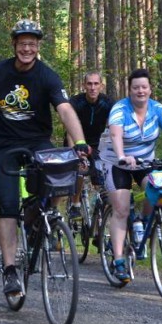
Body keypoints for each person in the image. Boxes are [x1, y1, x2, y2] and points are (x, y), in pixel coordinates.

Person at [0, 19, 90, 297]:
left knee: (60, 174)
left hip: (37, 142)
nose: (27, 48)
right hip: (3, 146)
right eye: (22, 43)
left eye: (32, 44)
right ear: (14, 45)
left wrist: (80, 142)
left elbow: (65, 109)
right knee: (9, 207)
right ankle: (10, 269)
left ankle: (40, 217)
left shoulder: (47, 76)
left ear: (38, 47)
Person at [98, 68, 162, 283]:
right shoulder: (119, 109)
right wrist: (122, 155)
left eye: (144, 87)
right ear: (130, 90)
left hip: (144, 161)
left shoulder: (158, 109)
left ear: (150, 89)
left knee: (160, 191)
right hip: (116, 162)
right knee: (122, 209)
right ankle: (118, 261)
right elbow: (115, 134)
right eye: (136, 87)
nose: (140, 91)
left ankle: (143, 223)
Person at [65, 71, 115, 220]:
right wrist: (74, 151)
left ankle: (99, 216)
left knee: (102, 175)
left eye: (96, 84)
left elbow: (114, 128)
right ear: (84, 85)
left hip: (97, 143)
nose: (92, 87)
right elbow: (69, 130)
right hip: (76, 140)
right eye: (89, 84)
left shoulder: (108, 102)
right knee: (80, 168)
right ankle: (75, 205)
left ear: (101, 86)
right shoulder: (75, 102)